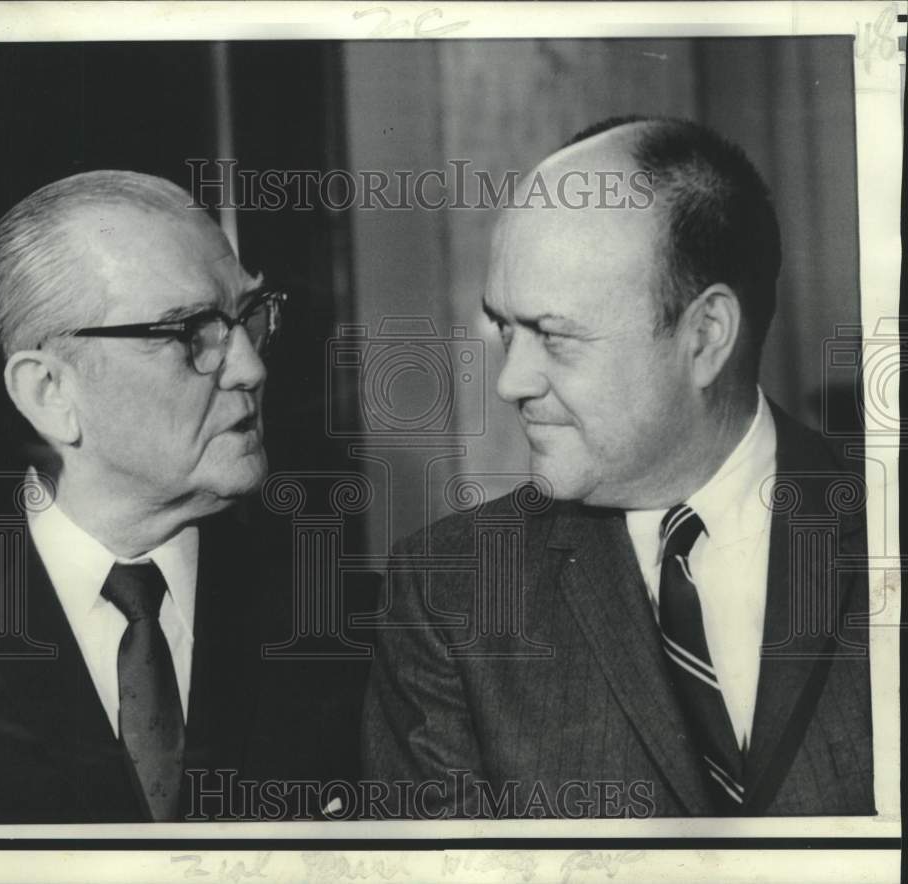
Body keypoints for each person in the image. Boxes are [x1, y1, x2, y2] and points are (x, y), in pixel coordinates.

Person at [362, 117, 874, 818]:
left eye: (555, 335)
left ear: (705, 336)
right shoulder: (451, 596)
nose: (511, 381)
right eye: (505, 327)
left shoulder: (882, 527)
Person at [0, 171, 369, 823]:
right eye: (191, 332)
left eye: (249, 316)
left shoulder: (356, 628)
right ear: (51, 392)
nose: (252, 368)